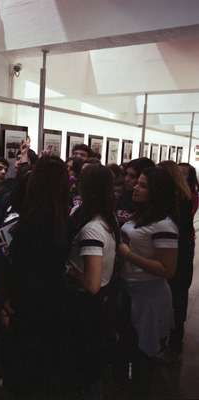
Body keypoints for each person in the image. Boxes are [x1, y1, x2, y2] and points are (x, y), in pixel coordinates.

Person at [2, 156, 71, 397]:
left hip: (28, 301)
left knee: (26, 364)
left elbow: (19, 266)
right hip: (55, 298)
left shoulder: (30, 223)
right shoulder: (64, 218)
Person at [117, 167, 178, 395]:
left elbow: (167, 269)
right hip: (130, 290)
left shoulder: (164, 225)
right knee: (126, 346)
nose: (135, 187)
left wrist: (128, 255)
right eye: (136, 183)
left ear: (157, 192)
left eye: (142, 185)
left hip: (148, 296)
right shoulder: (141, 216)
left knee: (144, 356)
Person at [65, 165, 118, 398]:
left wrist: (69, 270)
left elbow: (92, 283)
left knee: (85, 371)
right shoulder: (106, 220)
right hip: (98, 306)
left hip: (88, 307)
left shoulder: (92, 230)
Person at [159, 161, 194, 354]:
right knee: (178, 298)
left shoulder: (176, 200)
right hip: (182, 254)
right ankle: (173, 340)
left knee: (175, 298)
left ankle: (171, 343)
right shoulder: (182, 196)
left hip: (177, 256)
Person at [116, 157, 154, 226]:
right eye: (126, 174)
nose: (127, 179)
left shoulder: (150, 208)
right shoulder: (120, 197)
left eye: (132, 176)